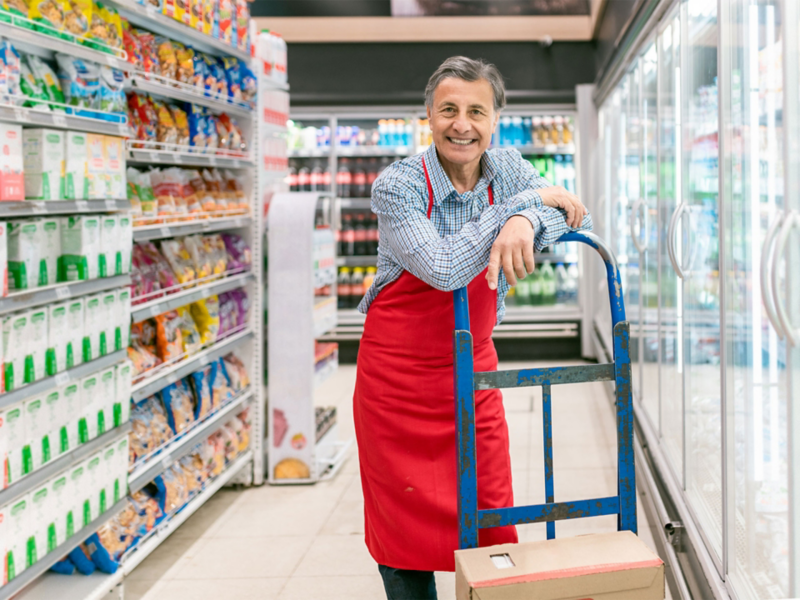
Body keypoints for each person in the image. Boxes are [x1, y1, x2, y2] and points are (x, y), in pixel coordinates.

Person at [353, 56, 591, 600]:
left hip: (472, 375)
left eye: (476, 111)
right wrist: (519, 205)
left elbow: (578, 215)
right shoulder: (399, 185)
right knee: (400, 532)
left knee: (489, 513)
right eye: (449, 110)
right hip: (396, 384)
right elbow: (441, 269)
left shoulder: (506, 166)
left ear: (495, 118)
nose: (463, 124)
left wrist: (523, 219)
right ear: (429, 117)